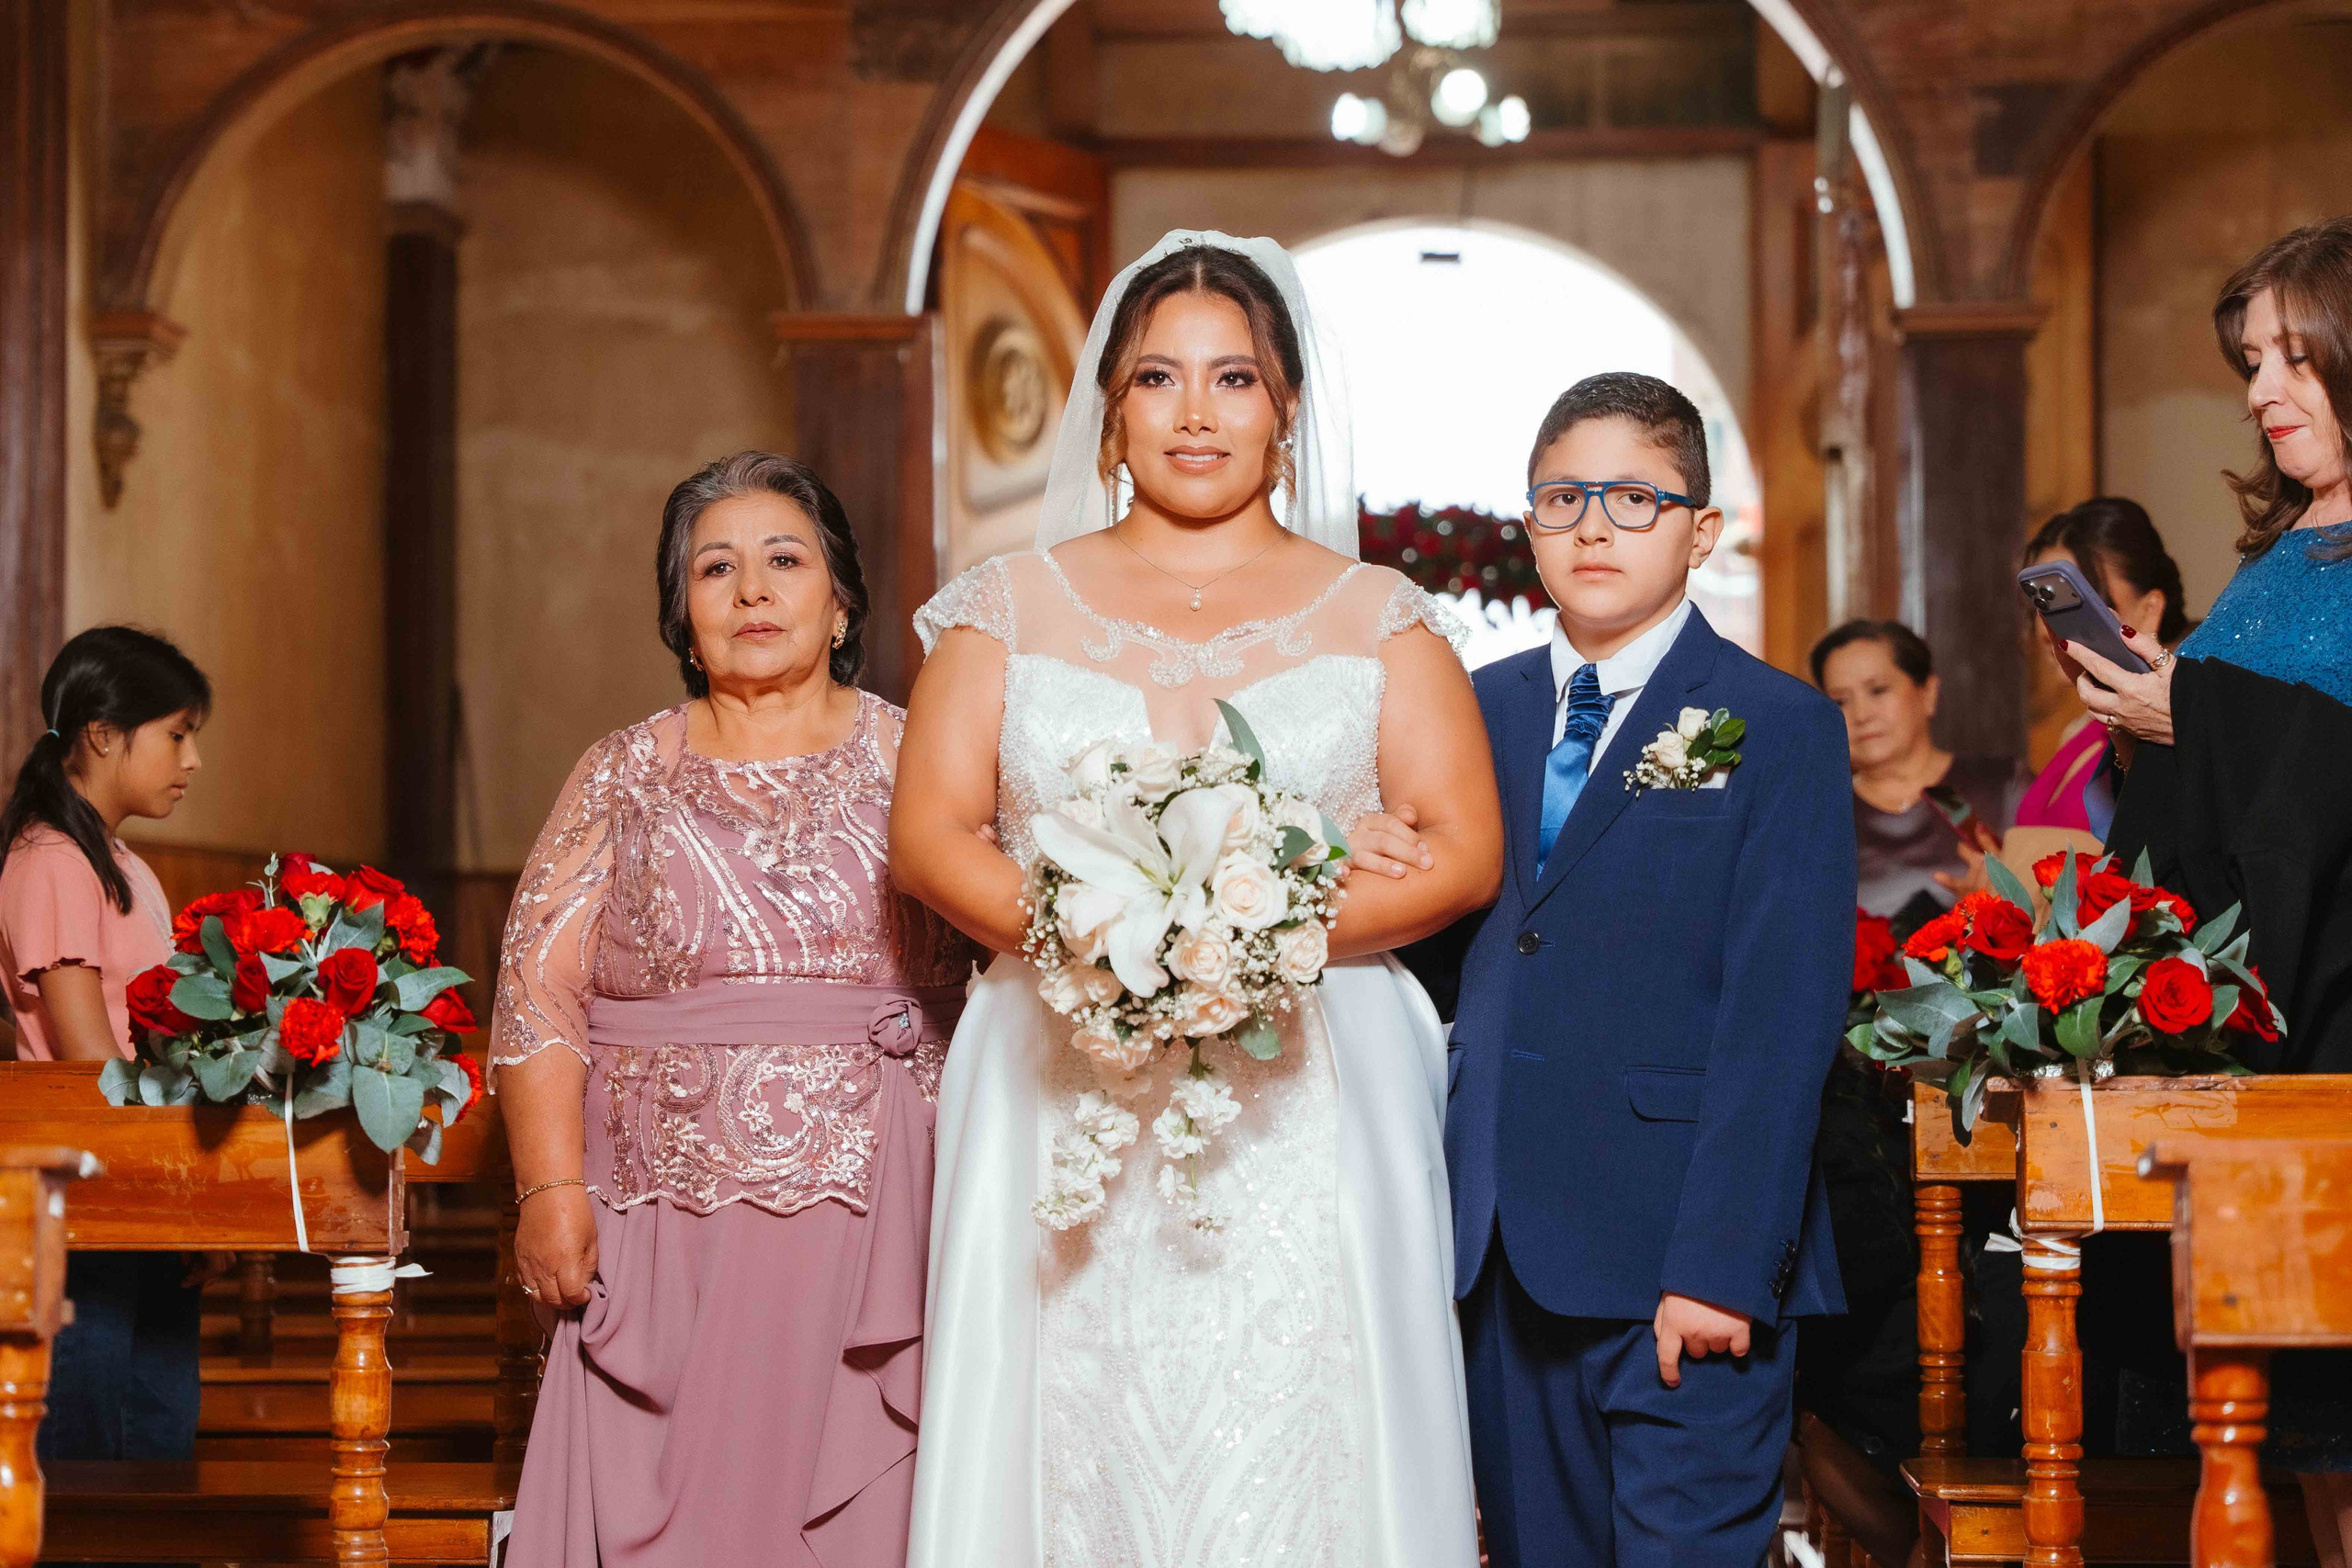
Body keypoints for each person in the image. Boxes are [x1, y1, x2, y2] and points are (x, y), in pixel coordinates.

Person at [893, 231, 1502, 1566]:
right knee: (1074, 1395)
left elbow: (1461, 851)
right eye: (1159, 378)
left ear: (1286, 410)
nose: (1196, 412)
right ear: (1110, 409)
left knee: (1301, 1396)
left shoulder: (1380, 615)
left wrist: (1238, 940)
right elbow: (932, 834)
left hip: (1317, 1068)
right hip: (1057, 1050)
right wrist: (1110, 942)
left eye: (1234, 379)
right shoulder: (1001, 607)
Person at [493, 452, 975, 1568]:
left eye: (783, 560)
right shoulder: (619, 774)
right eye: (715, 568)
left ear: (841, 597)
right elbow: (535, 992)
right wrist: (551, 1189)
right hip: (665, 1228)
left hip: (891, 1212)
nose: (751, 591)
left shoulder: (927, 758)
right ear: (681, 611)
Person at [1444, 372, 1854, 1568]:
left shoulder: (1771, 722)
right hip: (1503, 1254)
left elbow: (1781, 1011)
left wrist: (1723, 1266)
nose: (1592, 526)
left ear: (1701, 529)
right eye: (1562, 496)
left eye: (1634, 497)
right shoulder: (1475, 708)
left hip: (1685, 1254)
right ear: (1527, 524)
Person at [2083, 217, 2352, 1558]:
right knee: (2286, 1432)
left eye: (2298, 356)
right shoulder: (2284, 546)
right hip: (2263, 1012)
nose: (2263, 390)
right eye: (2253, 359)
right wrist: (2173, 716)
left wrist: (2204, 713)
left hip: (2346, 1016)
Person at [0, 626, 211, 1465]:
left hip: (142, 1184)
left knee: (157, 1446)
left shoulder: (119, 861)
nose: (191, 760)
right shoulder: (53, 859)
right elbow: (91, 1057)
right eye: (176, 734)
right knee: (104, 1463)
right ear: (101, 734)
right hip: (95, 1197)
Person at [1812, 620, 2030, 930]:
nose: (1861, 715)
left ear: (1928, 692)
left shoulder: (2004, 785)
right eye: (1840, 702)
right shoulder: (1817, 816)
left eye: (1878, 690)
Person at [2014, 498, 2188, 840]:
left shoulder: (2178, 726)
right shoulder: (2077, 729)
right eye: (2045, 605)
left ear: (2151, 609)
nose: (2044, 631)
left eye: (2077, 603)